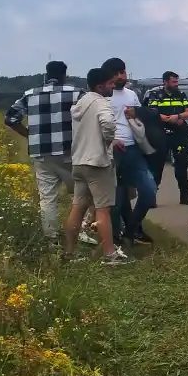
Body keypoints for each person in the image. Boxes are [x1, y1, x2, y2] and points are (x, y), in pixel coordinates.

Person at [4, 60, 96, 245]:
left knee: (47, 198)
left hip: (41, 153)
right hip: (70, 152)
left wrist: (30, 135)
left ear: (46, 74)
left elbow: (10, 118)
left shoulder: (30, 94)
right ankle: (82, 229)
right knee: (85, 193)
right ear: (65, 75)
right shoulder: (76, 93)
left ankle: (51, 239)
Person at [64, 67, 130, 265]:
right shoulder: (101, 102)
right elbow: (108, 123)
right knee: (103, 210)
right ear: (100, 86)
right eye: (110, 83)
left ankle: (68, 253)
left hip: (79, 162)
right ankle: (110, 255)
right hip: (98, 163)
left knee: (77, 208)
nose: (113, 86)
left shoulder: (81, 102)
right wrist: (109, 140)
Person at [102, 57, 161, 247]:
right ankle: (117, 236)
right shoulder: (102, 96)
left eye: (123, 72)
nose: (122, 76)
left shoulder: (131, 94)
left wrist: (138, 113)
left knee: (149, 191)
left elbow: (140, 117)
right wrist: (110, 140)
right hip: (112, 152)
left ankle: (132, 229)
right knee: (118, 199)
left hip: (133, 149)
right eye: (117, 73)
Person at [142, 70, 188, 205]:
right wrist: (167, 119)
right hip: (161, 135)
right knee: (156, 168)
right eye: (173, 82)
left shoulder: (181, 95)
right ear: (165, 82)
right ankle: (151, 198)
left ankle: (185, 195)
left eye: (177, 82)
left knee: (181, 167)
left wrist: (178, 117)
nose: (176, 84)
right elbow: (152, 113)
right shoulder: (156, 95)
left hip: (179, 135)